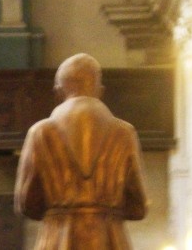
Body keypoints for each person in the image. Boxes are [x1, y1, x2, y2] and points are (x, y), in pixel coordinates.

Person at [14, 53, 147, 249]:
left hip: (57, 240)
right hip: (110, 240)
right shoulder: (124, 133)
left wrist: (61, 207)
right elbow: (139, 206)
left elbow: (27, 204)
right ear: (100, 91)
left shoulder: (40, 132)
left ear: (58, 92)